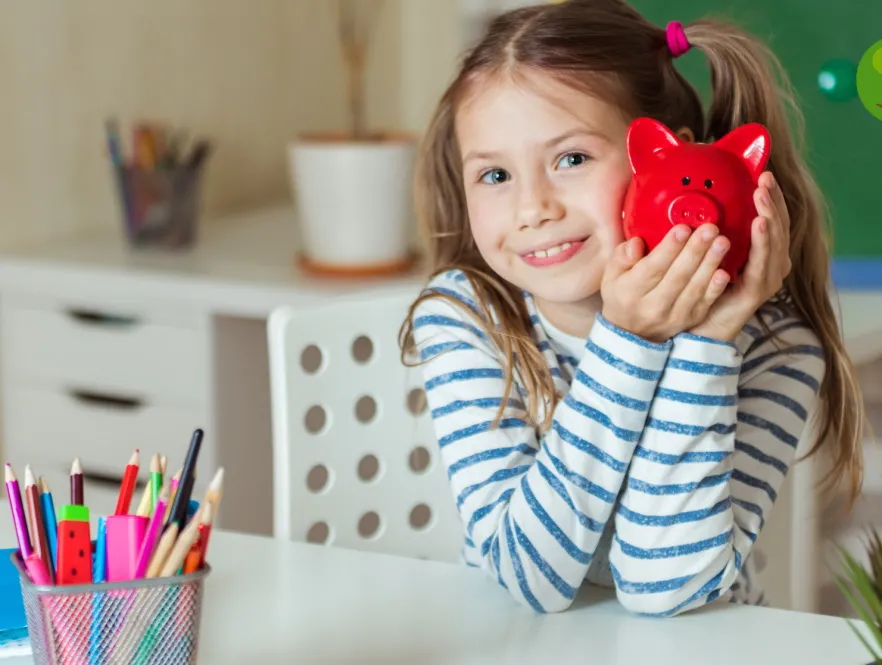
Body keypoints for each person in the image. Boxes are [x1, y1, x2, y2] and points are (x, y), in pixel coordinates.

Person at [398, 0, 866, 617]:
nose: (532, 207)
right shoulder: (466, 318)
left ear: (674, 160)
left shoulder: (774, 345)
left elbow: (662, 587)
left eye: (572, 159)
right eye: (494, 175)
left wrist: (707, 341)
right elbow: (528, 577)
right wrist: (629, 342)